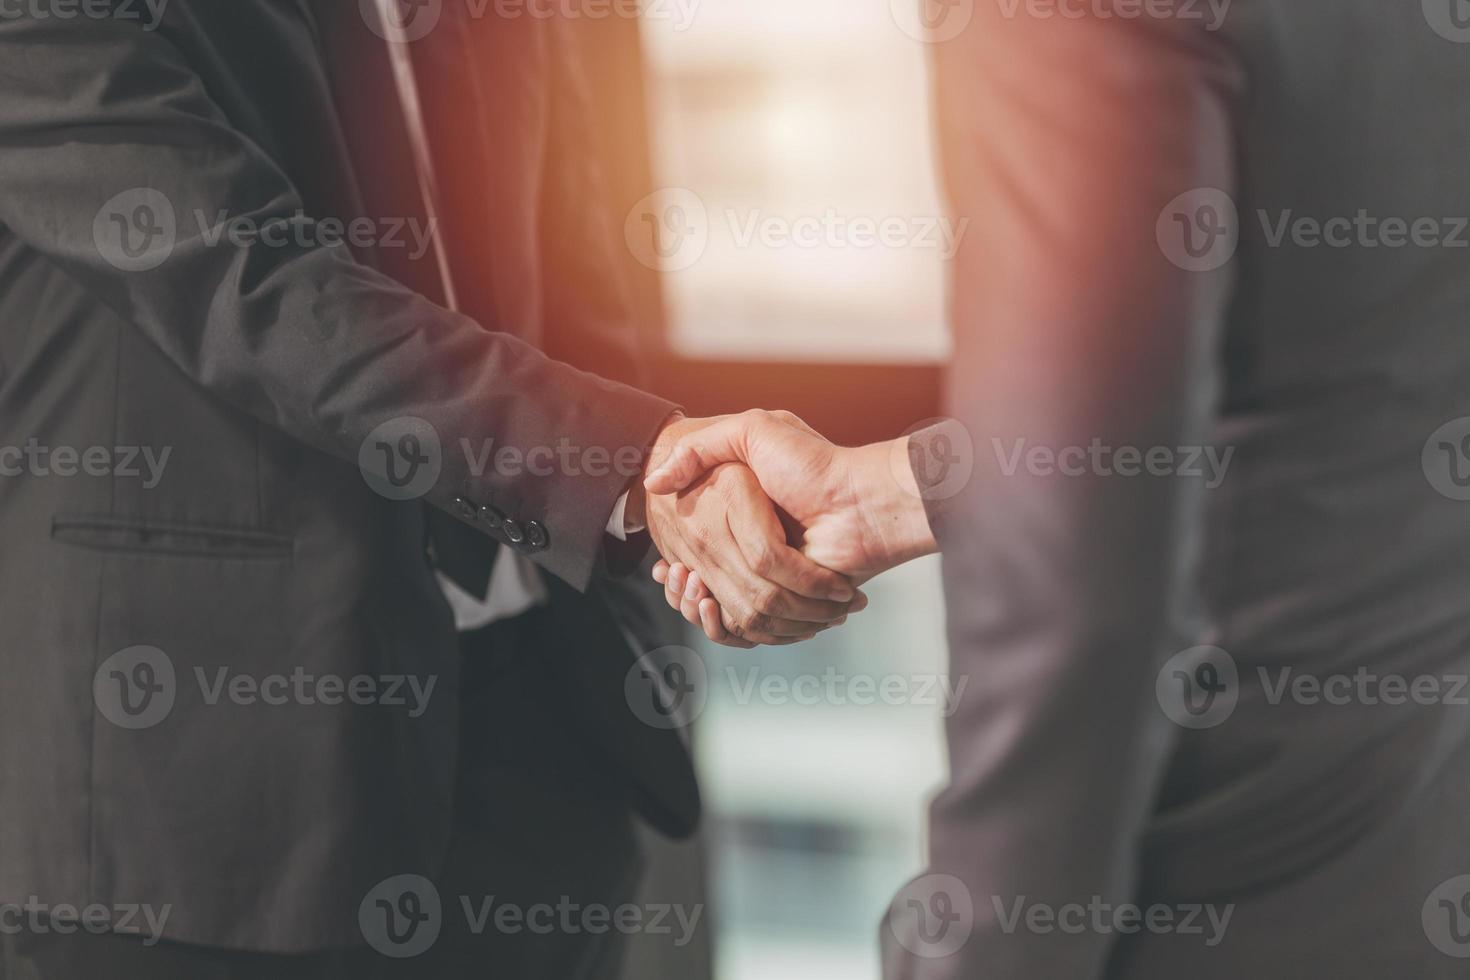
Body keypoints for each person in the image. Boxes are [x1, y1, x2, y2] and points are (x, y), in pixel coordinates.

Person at [0, 2, 857, 977]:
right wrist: (631, 468)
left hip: (543, 746)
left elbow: (582, 284)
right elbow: (260, 288)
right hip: (205, 793)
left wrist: (674, 504)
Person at [646, 3, 1470, 977]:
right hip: (1406, 856)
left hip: (1192, 897)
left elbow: (1078, 612)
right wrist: (893, 489)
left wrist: (976, 948)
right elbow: (1329, 363)